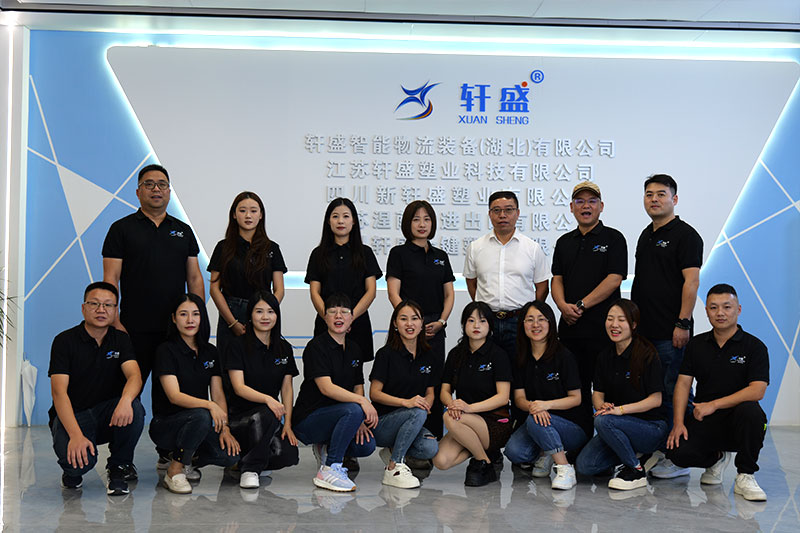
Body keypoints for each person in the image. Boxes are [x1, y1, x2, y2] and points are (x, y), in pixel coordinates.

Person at [102, 164, 204, 474]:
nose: (156, 189)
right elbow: (110, 279)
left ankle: (169, 453)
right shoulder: (121, 229)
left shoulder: (182, 231)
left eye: (162, 184)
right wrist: (115, 321)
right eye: (149, 184)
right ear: (138, 191)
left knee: (171, 397)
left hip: (175, 333)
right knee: (127, 395)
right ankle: (121, 462)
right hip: (132, 329)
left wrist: (197, 319)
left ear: (169, 191)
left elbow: (194, 279)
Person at [662, 284, 769, 501]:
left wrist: (714, 404)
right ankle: (717, 457)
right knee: (677, 452)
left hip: (738, 417)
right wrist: (678, 423)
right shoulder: (696, 344)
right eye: (713, 307)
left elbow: (757, 391)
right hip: (705, 417)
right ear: (707, 311)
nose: (720, 313)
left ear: (738, 309)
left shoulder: (754, 347)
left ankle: (745, 474)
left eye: (727, 307)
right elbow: (683, 384)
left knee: (753, 413)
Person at [631, 174, 703, 477]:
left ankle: (684, 456)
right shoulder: (646, 234)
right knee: (655, 392)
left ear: (674, 199)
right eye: (649, 194)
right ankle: (663, 448)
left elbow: (691, 281)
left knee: (676, 393)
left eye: (661, 194)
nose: (654, 199)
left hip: (671, 332)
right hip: (644, 333)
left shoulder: (686, 235)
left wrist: (683, 322)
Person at [48, 282, 144, 495]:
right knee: (77, 465)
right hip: (74, 416)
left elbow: (134, 376)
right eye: (94, 304)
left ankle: (118, 468)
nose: (101, 310)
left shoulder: (121, 339)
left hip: (107, 414)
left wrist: (125, 400)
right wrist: (75, 435)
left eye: (108, 305)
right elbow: (58, 392)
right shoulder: (64, 341)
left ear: (115, 310)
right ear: (83, 308)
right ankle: (71, 473)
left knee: (135, 408)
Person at [551, 181, 627, 435]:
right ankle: (579, 441)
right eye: (580, 201)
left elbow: (614, 278)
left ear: (601, 206)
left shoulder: (614, 238)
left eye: (592, 201)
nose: (586, 206)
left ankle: (610, 440)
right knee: (575, 388)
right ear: (571, 207)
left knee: (608, 388)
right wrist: (562, 306)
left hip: (605, 330)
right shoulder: (564, 242)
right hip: (570, 329)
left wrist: (581, 305)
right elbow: (557, 279)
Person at [149, 294, 240, 494]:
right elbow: (174, 396)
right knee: (201, 414)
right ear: (174, 318)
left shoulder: (210, 352)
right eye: (183, 314)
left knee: (230, 456)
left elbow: (218, 394)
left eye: (196, 314)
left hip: (198, 424)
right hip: (165, 425)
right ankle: (174, 471)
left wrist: (225, 428)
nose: (190, 320)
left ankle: (185, 459)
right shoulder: (166, 350)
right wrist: (209, 405)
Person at [575, 299, 668, 491]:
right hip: (616, 425)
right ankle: (636, 456)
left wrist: (620, 410)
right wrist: (601, 406)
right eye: (610, 319)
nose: (614, 325)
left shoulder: (647, 354)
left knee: (603, 421)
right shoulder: (604, 356)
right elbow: (597, 394)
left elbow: (655, 400)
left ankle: (636, 470)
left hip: (650, 427)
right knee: (585, 465)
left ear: (633, 324)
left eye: (621, 320)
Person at [292, 294, 378, 492]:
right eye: (332, 311)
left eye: (344, 312)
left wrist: (358, 420)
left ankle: (325, 447)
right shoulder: (316, 347)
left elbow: (358, 384)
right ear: (325, 318)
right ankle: (330, 468)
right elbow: (326, 388)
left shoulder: (355, 348)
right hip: (309, 419)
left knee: (366, 445)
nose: (338, 315)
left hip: (340, 415)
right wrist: (361, 404)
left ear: (352, 318)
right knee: (354, 410)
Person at [386, 200, 455, 439]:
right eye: (416, 219)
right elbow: (393, 292)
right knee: (403, 378)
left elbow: (449, 294)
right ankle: (398, 438)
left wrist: (442, 321)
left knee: (433, 382)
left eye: (427, 219)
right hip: (406, 327)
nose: (422, 224)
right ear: (408, 223)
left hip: (435, 327)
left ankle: (431, 438)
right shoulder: (398, 254)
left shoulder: (440, 256)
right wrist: (411, 321)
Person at [503, 301, 587, 490]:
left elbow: (576, 398)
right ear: (522, 324)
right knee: (514, 452)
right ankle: (547, 451)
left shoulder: (564, 356)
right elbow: (519, 399)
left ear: (550, 323)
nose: (536, 325)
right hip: (538, 418)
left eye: (541, 319)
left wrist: (545, 405)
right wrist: (534, 407)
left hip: (570, 427)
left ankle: (565, 468)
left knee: (535, 420)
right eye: (530, 320)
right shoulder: (520, 357)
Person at [433, 302, 512, 487]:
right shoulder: (456, 354)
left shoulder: (498, 355)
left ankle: (483, 462)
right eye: (471, 320)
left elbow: (503, 397)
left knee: (450, 418)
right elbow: (445, 390)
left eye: (482, 321)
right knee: (441, 461)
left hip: (495, 421)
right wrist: (451, 404)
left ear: (490, 325)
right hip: (464, 419)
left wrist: (469, 408)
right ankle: (484, 457)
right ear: (463, 324)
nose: (476, 325)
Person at [463, 190, 549, 361]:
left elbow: (542, 286)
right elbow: (471, 283)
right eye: (496, 210)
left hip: (519, 321)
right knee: (486, 368)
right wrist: (485, 309)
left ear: (517, 213)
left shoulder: (532, 248)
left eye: (508, 210)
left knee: (520, 368)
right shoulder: (476, 247)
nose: (502, 215)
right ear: (489, 214)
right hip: (486, 320)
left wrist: (528, 313)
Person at [226, 291, 299, 489]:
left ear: (277, 315)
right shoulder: (237, 345)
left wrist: (288, 424)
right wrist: (268, 399)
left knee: (289, 455)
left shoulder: (284, 348)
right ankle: (250, 469)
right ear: (250, 315)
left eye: (270, 311)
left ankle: (247, 459)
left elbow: (287, 388)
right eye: (259, 311)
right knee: (266, 413)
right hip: (240, 419)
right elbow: (239, 387)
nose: (265, 317)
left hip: (268, 419)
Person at [370, 300, 440, 488]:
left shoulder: (429, 356)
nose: (409, 324)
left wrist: (427, 403)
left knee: (430, 448)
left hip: (412, 420)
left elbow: (430, 392)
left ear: (422, 323)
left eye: (414, 319)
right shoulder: (386, 354)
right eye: (403, 319)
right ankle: (394, 467)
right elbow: (374, 393)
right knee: (417, 412)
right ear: (395, 323)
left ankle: (392, 451)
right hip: (383, 423)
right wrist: (406, 402)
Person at [209, 191, 287, 360]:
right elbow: (214, 289)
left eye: (253, 210)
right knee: (228, 366)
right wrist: (232, 323)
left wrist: (265, 313)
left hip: (262, 314)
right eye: (242, 210)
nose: (248, 215)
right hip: (231, 313)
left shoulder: (272, 248)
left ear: (261, 215)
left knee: (261, 365)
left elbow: (279, 290)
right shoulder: (223, 247)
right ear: (234, 215)